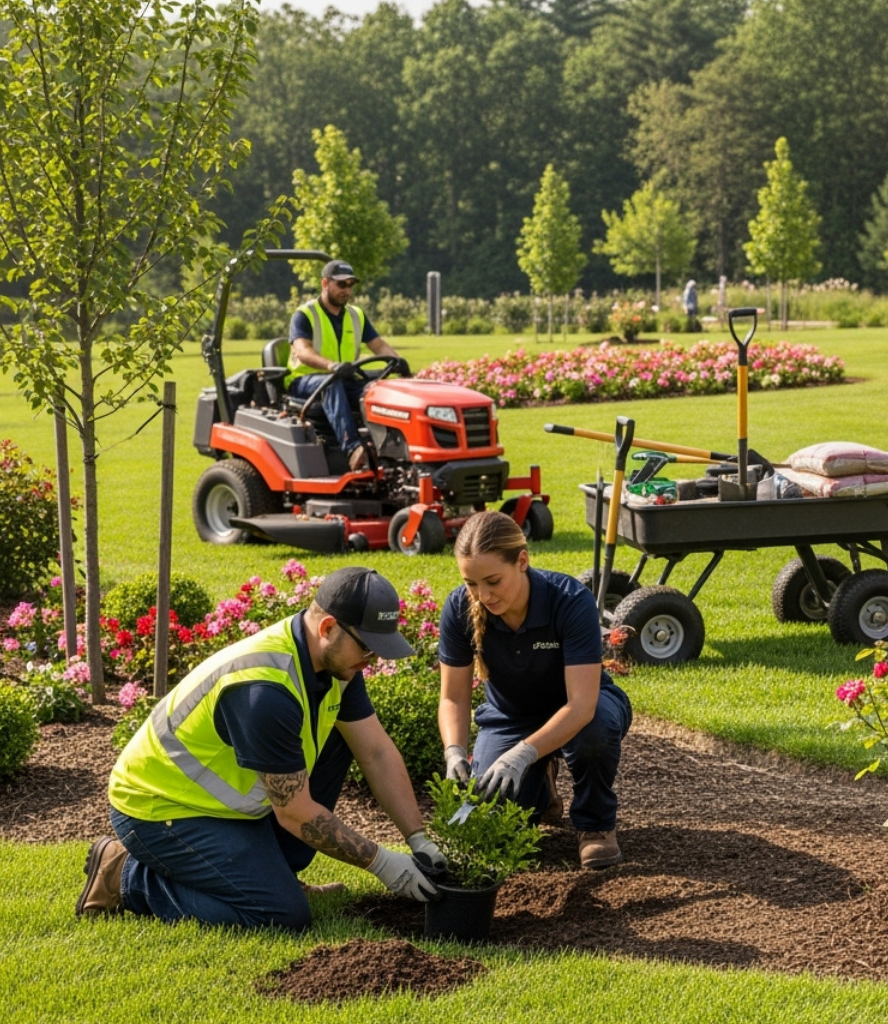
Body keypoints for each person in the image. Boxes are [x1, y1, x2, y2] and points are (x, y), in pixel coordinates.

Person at [79, 568, 444, 929]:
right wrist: (382, 863)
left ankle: (267, 879)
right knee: (281, 915)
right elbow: (295, 813)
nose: (371, 659)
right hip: (159, 809)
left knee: (342, 738)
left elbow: (376, 751)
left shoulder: (335, 666)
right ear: (328, 627)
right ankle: (126, 874)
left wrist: (419, 839)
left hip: (222, 808)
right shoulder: (264, 691)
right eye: (366, 645)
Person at [437, 511, 632, 870]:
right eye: (471, 583)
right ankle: (542, 788)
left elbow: (581, 705)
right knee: (497, 825)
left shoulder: (569, 600)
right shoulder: (459, 608)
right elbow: (453, 697)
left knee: (594, 735)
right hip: (510, 717)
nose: (483, 595)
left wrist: (524, 754)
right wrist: (454, 752)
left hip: (583, 709)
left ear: (522, 561)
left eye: (493, 581)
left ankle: (595, 825)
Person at [287, 259, 409, 472]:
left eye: (351, 285)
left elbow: (378, 345)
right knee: (331, 385)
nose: (347, 290)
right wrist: (332, 366)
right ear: (325, 283)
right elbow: (303, 351)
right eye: (341, 284)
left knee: (375, 387)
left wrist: (397, 362)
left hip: (342, 376)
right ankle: (352, 448)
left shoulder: (356, 315)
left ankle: (387, 447)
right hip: (305, 381)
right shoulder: (304, 314)